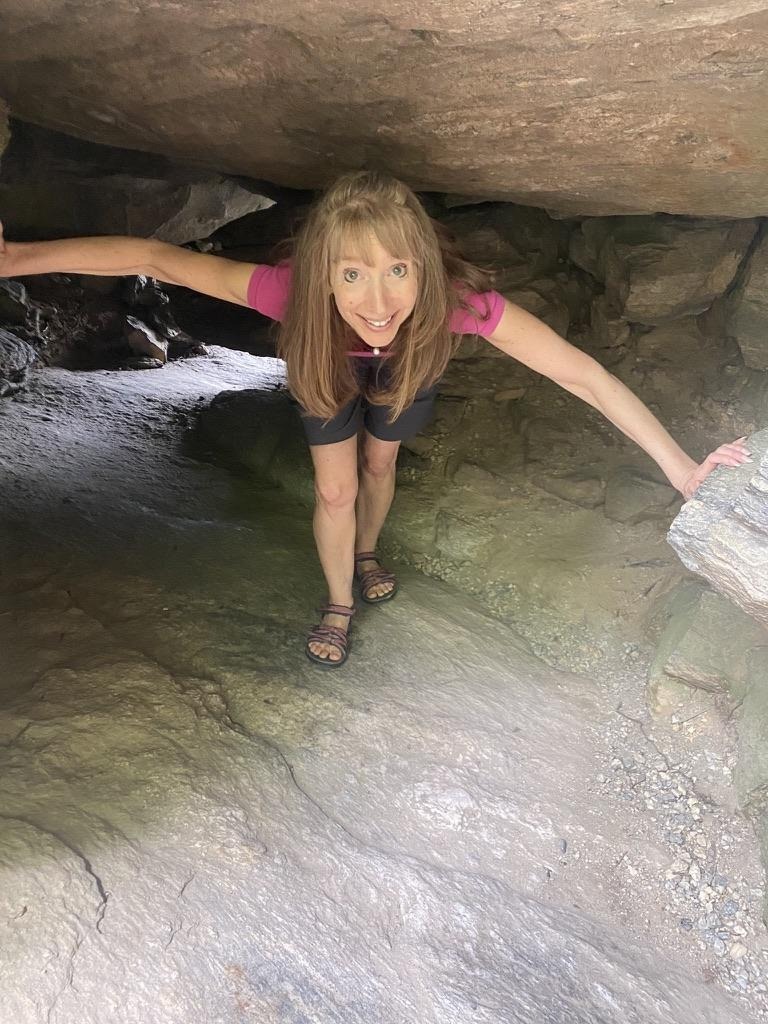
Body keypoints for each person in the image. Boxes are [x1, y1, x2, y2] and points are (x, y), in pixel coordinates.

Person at [0, 171, 751, 668]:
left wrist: (681, 469)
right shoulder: (287, 291)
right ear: (323, 272)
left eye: (398, 270)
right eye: (352, 274)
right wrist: (13, 259)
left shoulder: (459, 304)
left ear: (424, 266)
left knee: (380, 464)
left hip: (404, 376)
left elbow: (579, 372)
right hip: (328, 374)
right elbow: (154, 256)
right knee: (335, 489)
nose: (379, 300)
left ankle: (366, 553)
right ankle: (338, 600)